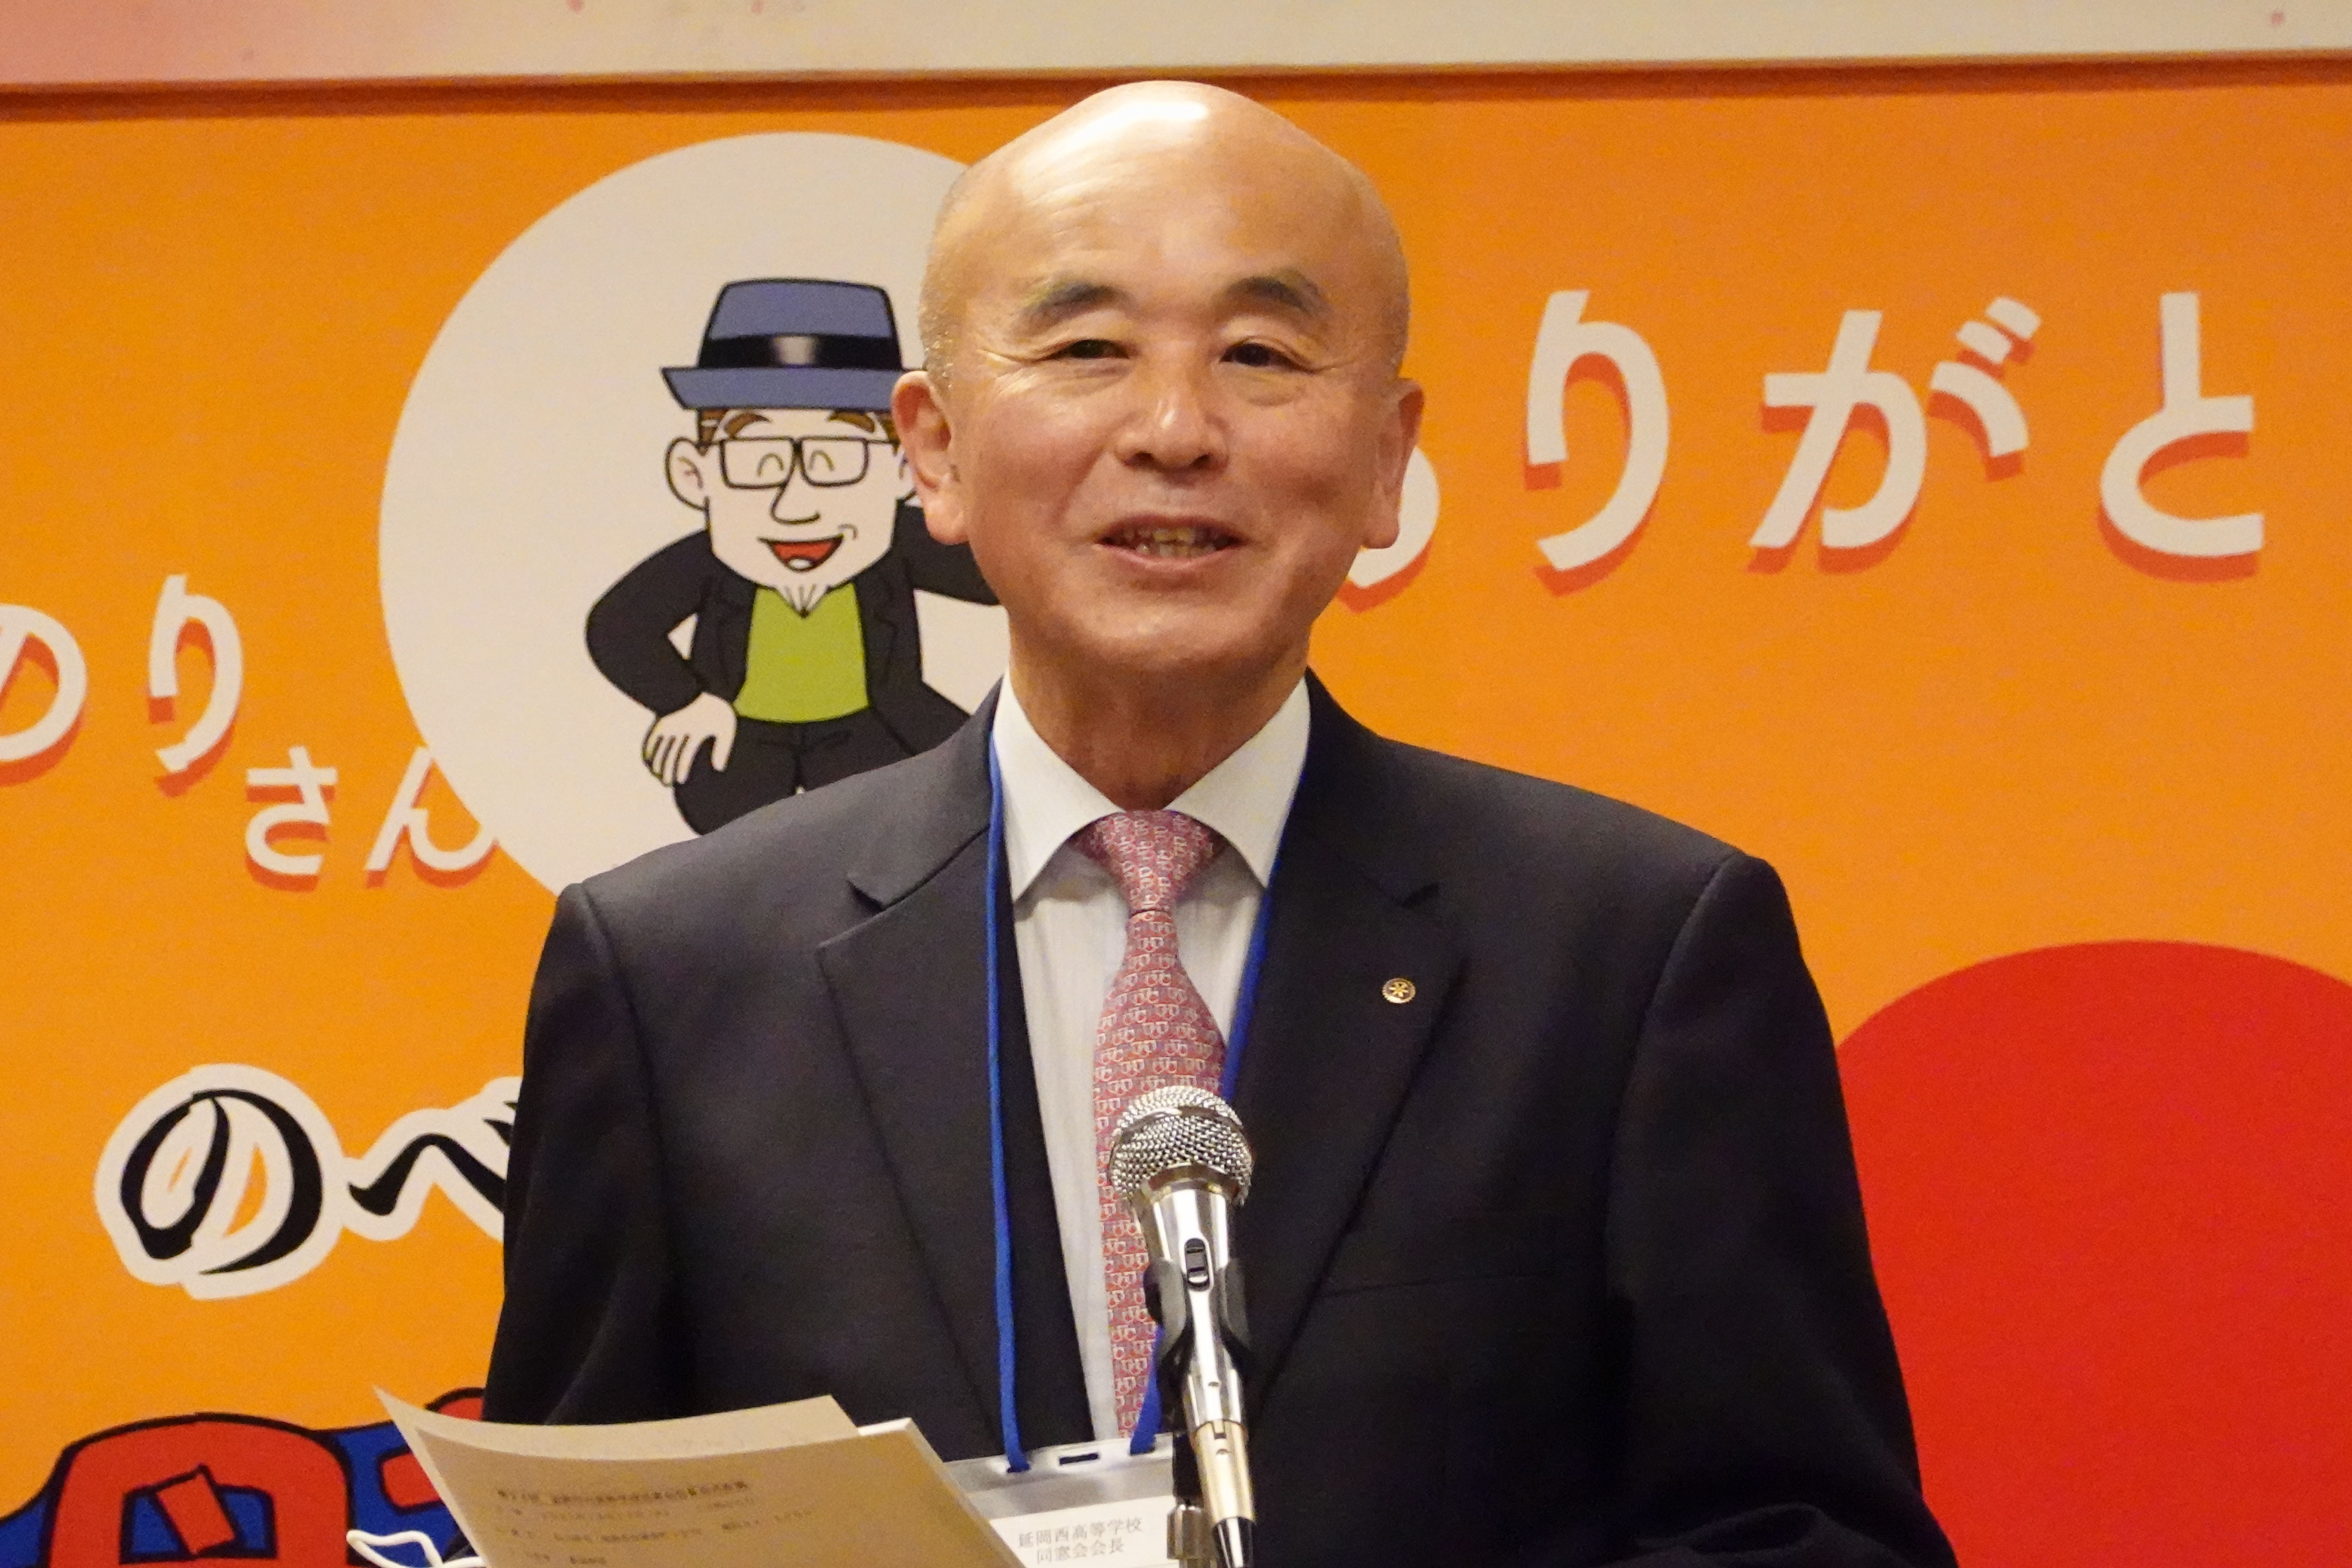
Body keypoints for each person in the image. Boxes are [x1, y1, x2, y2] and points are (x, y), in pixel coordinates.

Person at [487, 82, 1958, 1568]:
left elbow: (1809, 1535)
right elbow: (585, 1534)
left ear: (1386, 458)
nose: (1175, 430)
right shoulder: (671, 979)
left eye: (1260, 353)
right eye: (1086, 349)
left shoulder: (1631, 955)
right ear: (931, 450)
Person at [585, 278, 997, 834]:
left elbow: (1009, 575)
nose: (796, 505)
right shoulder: (705, 563)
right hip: (743, 743)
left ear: (905, 469)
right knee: (734, 849)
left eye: (837, 460)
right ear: (694, 476)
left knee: (916, 818)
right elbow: (619, 626)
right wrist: (686, 700)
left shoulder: (908, 541)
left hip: (871, 734)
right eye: (759, 463)